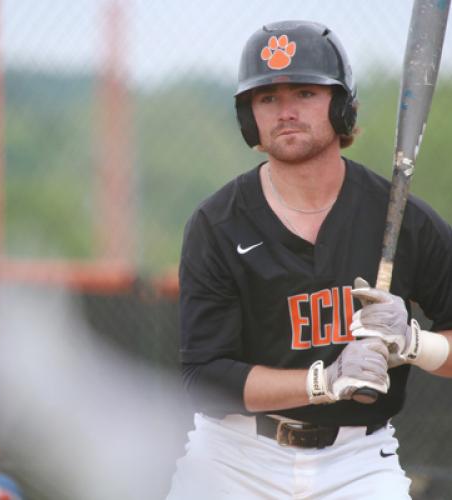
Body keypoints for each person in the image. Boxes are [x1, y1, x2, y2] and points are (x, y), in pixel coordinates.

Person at [167, 20, 452, 499]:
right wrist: (323, 381)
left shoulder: (402, 219)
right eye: (267, 98)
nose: (285, 112)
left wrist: (413, 345)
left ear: (341, 106)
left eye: (304, 93)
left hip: (358, 461)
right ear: (248, 118)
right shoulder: (218, 224)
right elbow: (204, 377)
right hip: (234, 458)